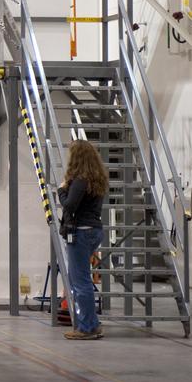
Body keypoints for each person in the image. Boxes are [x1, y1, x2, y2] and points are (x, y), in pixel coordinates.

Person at [57, 139, 108, 340]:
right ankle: (91, 324)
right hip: (94, 230)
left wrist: (61, 190)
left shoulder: (80, 180)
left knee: (80, 282)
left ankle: (87, 328)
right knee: (80, 279)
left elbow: (69, 205)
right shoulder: (97, 179)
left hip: (81, 232)